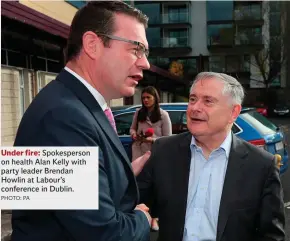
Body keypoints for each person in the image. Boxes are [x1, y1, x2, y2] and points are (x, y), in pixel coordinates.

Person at [11, 2, 152, 241]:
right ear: (92, 45)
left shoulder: (71, 105)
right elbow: (104, 234)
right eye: (136, 48)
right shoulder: (61, 117)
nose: (145, 63)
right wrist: (142, 219)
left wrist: (120, 173)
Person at [137, 72, 285, 241]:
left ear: (233, 112)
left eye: (208, 101)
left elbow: (272, 235)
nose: (194, 108)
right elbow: (135, 204)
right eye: (192, 99)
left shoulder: (261, 165)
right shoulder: (164, 150)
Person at [130, 86, 172, 231]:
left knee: (155, 186)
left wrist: (152, 140)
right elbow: (132, 128)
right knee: (140, 186)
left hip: (155, 154)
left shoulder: (163, 115)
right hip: (139, 152)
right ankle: (141, 215)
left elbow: (167, 138)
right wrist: (134, 134)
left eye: (148, 97)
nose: (145, 100)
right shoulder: (138, 113)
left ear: (155, 98)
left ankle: (155, 217)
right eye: (143, 98)